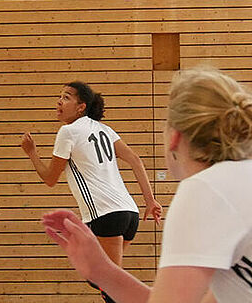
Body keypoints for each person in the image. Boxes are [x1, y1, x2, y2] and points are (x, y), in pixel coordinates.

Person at [42, 66, 252, 303]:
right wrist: (104, 272)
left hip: (106, 212)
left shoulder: (205, 190)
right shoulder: (237, 181)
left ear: (174, 137)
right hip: (127, 209)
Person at [21, 81, 162, 302]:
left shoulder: (68, 132)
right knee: (98, 277)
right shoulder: (105, 129)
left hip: (105, 214)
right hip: (129, 213)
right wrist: (150, 201)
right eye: (60, 96)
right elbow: (135, 159)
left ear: (81, 107)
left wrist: (32, 154)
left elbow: (50, 179)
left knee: (111, 287)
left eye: (67, 97)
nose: (59, 101)